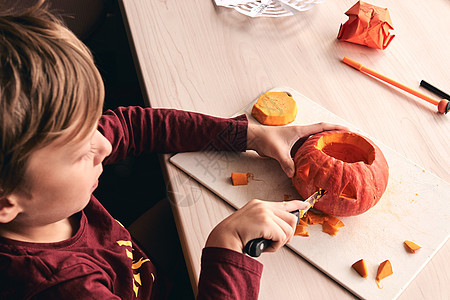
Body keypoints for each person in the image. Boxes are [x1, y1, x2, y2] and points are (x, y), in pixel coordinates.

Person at [0, 2, 346, 299]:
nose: (104, 145)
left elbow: (132, 128)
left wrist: (247, 136)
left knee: (189, 197)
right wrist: (228, 246)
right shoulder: (68, 289)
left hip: (135, 265)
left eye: (93, 126)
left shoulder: (41, 201)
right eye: (80, 153)